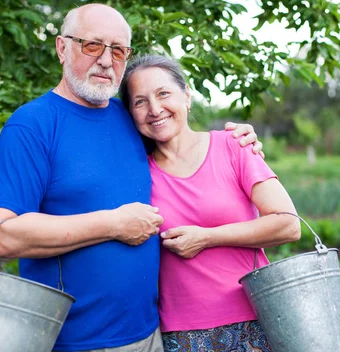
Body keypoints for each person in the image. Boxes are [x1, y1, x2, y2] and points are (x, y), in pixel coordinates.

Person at [0, 3, 262, 352]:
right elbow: (3, 236)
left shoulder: (129, 116)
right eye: (92, 45)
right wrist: (114, 224)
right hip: (75, 341)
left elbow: (181, 143)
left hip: (152, 333)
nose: (105, 59)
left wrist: (235, 143)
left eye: (118, 50)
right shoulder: (32, 125)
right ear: (61, 48)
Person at [119, 55, 301, 352]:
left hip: (254, 320)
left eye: (164, 94)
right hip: (182, 333)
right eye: (140, 102)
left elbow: (288, 225)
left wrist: (206, 237)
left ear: (186, 97)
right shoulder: (138, 176)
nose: (155, 109)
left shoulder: (234, 146)